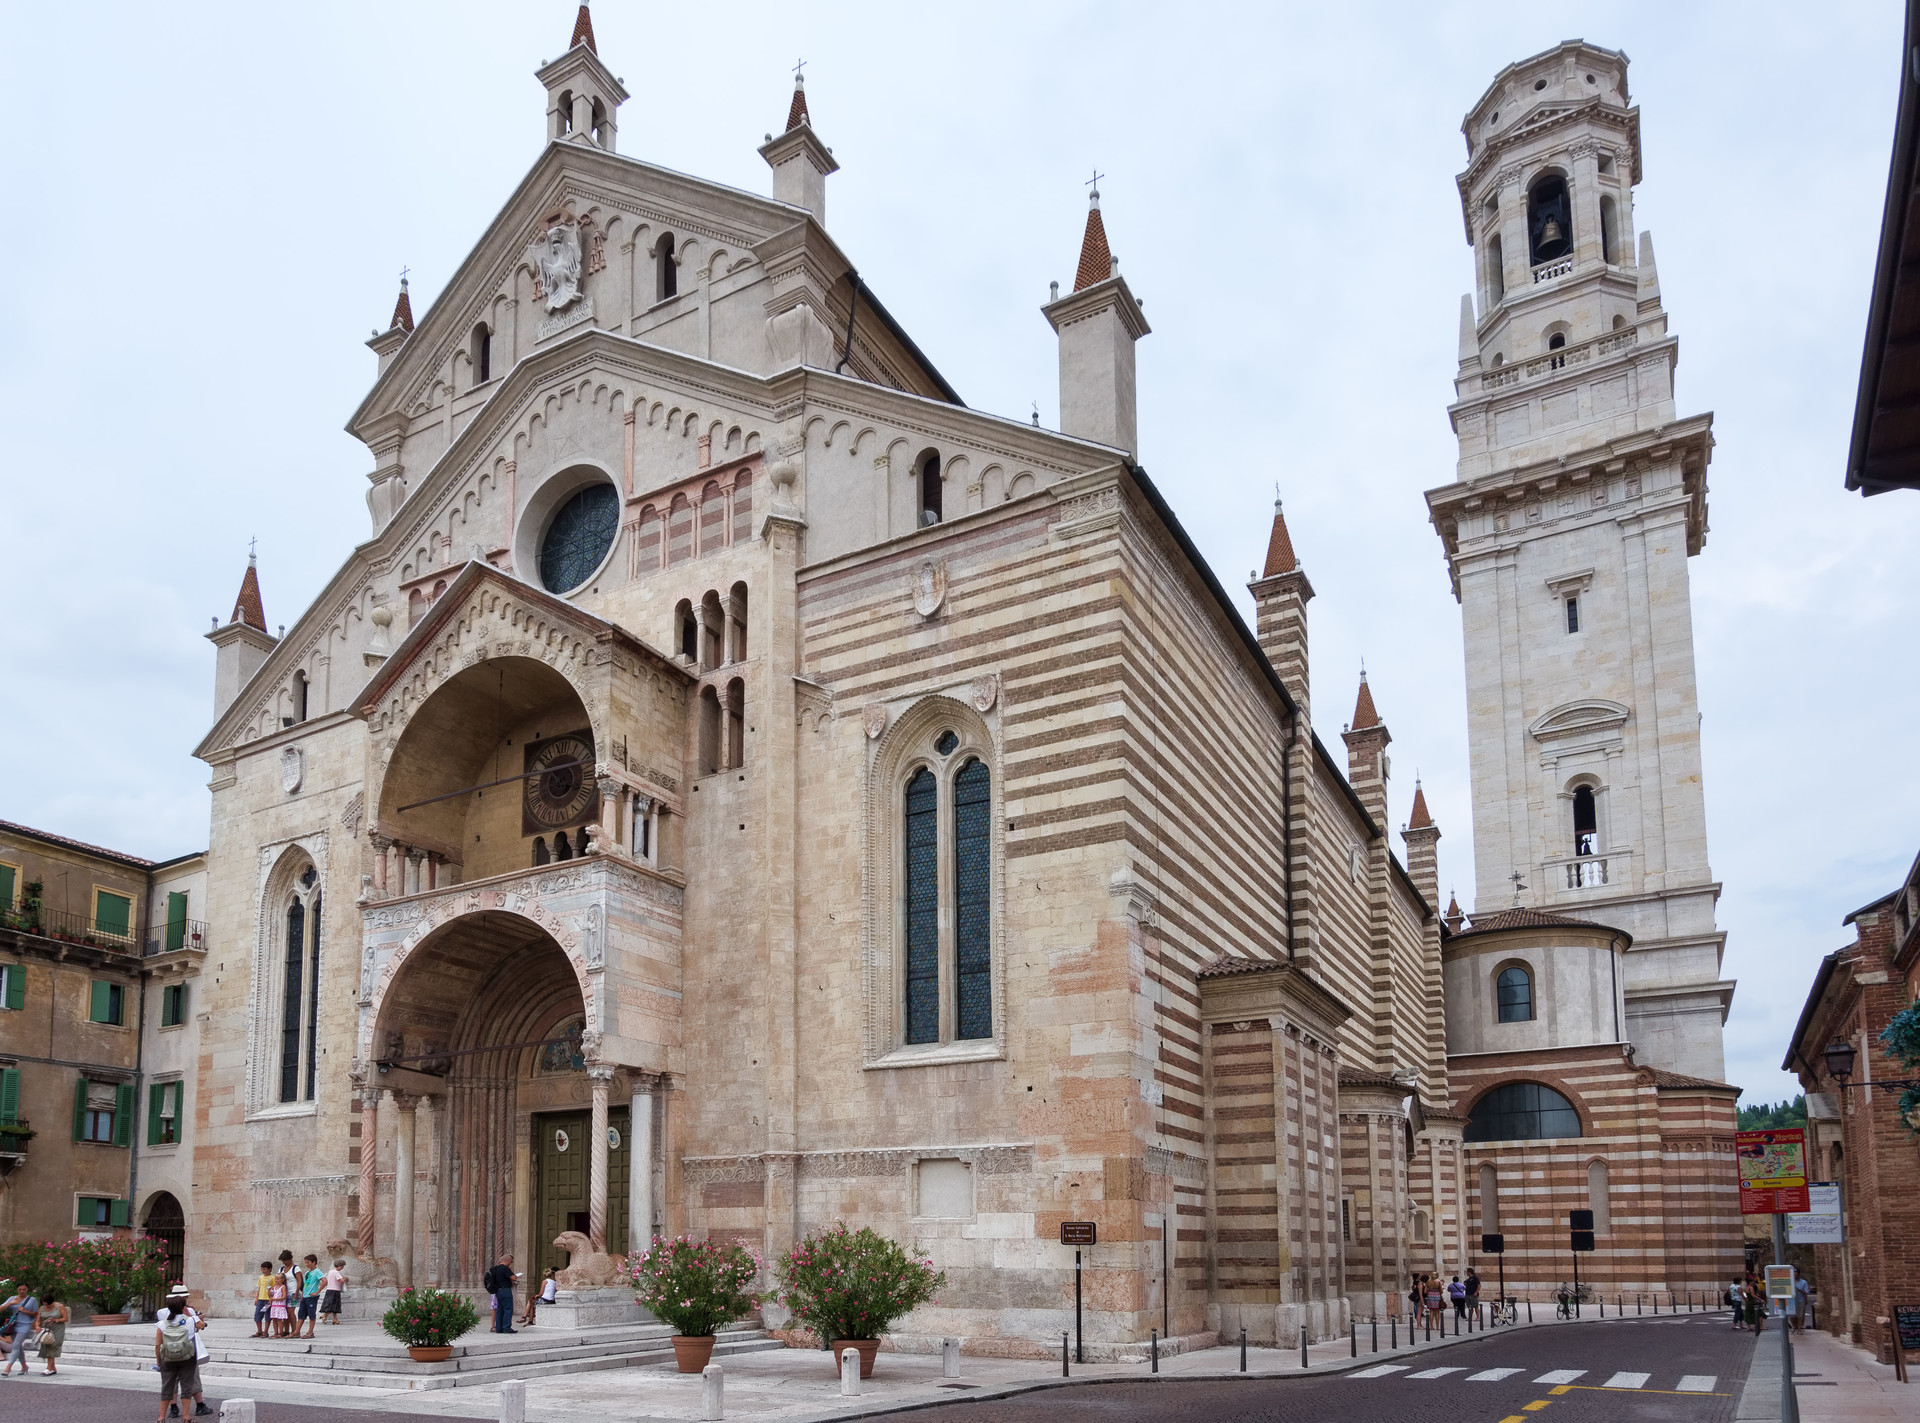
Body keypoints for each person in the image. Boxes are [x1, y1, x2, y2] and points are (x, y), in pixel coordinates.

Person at [155, 1288, 212, 1418]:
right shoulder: (189, 1316)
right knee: (189, 1383)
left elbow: (158, 1344)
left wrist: (158, 1360)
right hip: (187, 1356)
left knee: (168, 1384)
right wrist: (193, 1316)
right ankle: (188, 1414)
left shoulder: (161, 1315)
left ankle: (167, 1412)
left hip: (168, 1356)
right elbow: (201, 1326)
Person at [1, 1282, 38, 1377]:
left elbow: (35, 1313)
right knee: (18, 1347)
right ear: (17, 1290)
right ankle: (24, 1366)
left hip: (25, 1324)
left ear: (27, 1290)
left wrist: (24, 1311)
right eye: (20, 1289)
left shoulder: (32, 1300)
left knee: (16, 1345)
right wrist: (10, 1303)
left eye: (24, 1289)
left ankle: (8, 1368)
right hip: (13, 1325)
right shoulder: (12, 1298)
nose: (22, 1291)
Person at [483, 1255, 518, 1334]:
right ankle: (506, 1327)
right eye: (511, 1261)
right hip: (505, 1290)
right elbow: (514, 1278)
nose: (511, 1263)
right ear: (508, 1260)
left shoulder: (496, 1268)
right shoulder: (505, 1268)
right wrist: (513, 1273)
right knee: (508, 1309)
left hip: (498, 1291)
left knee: (500, 1309)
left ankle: (499, 1328)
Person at [35, 1293, 68, 1376]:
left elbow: (65, 1318)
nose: (46, 1306)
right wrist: (37, 1326)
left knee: (53, 1345)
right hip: (46, 1329)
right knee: (47, 1346)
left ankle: (49, 1368)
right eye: (44, 1304)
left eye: (48, 1305)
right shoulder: (42, 1308)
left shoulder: (59, 1306)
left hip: (58, 1329)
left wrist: (55, 1320)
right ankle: (53, 1368)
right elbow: (38, 1320)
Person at [297, 1255, 322, 1339]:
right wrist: (302, 1295)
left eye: (308, 1262)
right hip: (305, 1296)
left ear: (314, 1262)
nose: (306, 1264)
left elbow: (324, 1281)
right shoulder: (307, 1273)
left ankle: (310, 1332)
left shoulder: (317, 1271)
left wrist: (317, 1292)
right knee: (301, 1314)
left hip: (312, 1296)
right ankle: (297, 1331)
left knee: (311, 1314)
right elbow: (305, 1285)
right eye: (305, 1262)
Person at [320, 1259, 347, 1326]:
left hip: (329, 1289)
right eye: (342, 1266)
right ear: (340, 1266)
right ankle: (324, 1315)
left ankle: (335, 1319)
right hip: (335, 1290)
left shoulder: (330, 1272)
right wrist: (346, 1279)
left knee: (335, 1305)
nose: (343, 1268)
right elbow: (341, 1280)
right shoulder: (337, 1272)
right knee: (333, 1305)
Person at [252, 1262, 274, 1338]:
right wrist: (256, 1298)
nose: (263, 1271)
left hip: (267, 1300)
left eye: (265, 1269)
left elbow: (274, 1289)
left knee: (267, 1315)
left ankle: (265, 1331)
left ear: (270, 1269)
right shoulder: (260, 1277)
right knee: (257, 1315)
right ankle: (259, 1331)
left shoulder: (273, 1278)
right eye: (262, 1269)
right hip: (260, 1299)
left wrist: (271, 1299)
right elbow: (259, 1288)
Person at [267, 1272, 288, 1337]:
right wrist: (270, 1297)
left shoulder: (283, 1287)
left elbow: (284, 1296)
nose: (276, 1280)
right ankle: (276, 1332)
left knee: (279, 1320)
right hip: (274, 1306)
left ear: (282, 1280)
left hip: (280, 1305)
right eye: (275, 1279)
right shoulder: (274, 1287)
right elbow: (272, 1295)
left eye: (278, 1279)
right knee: (274, 1319)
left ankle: (281, 1333)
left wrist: (275, 1299)